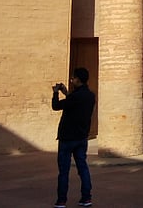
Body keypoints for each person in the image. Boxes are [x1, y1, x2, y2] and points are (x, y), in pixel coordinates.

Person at [52, 67, 96, 208]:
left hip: (67, 138)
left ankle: (61, 200)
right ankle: (86, 197)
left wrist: (55, 93)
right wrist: (67, 93)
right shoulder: (90, 96)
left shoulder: (75, 97)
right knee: (83, 168)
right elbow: (74, 102)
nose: (71, 80)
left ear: (78, 79)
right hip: (82, 137)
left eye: (73, 78)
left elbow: (56, 106)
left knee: (64, 171)